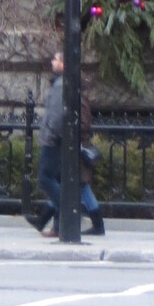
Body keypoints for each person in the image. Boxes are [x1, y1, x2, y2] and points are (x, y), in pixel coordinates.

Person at [31, 50, 104, 237]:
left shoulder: (65, 87)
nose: (52, 62)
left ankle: (71, 214)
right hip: (65, 143)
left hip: (67, 144)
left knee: (51, 180)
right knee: (61, 182)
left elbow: (60, 119)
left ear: (63, 64)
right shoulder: (65, 86)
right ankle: (52, 222)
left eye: (55, 59)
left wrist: (54, 134)